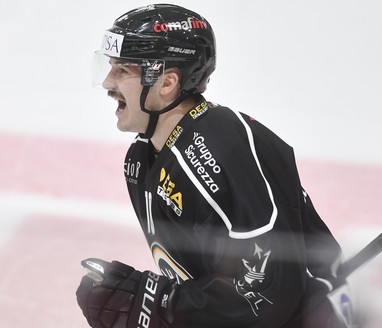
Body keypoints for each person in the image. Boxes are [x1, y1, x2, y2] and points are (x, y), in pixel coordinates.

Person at [76, 4, 358, 328]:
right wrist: (153, 302)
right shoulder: (141, 161)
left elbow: (264, 297)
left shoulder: (218, 151)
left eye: (123, 70)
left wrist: (153, 302)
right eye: (109, 66)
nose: (108, 83)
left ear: (167, 83)